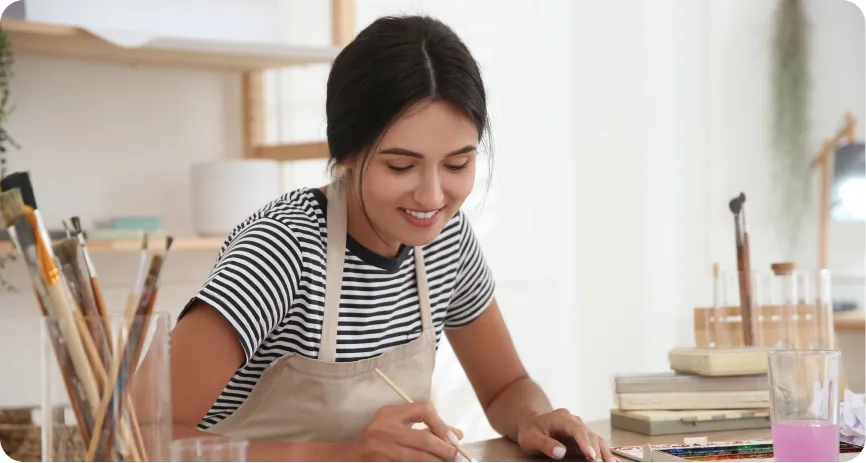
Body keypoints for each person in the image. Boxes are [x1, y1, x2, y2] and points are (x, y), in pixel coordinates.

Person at [170, 14, 615, 462]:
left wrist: (533, 418)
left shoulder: (448, 242)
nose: (432, 196)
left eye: (457, 164)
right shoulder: (284, 246)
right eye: (400, 166)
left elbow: (505, 387)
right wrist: (342, 457)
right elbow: (139, 431)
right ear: (346, 151)